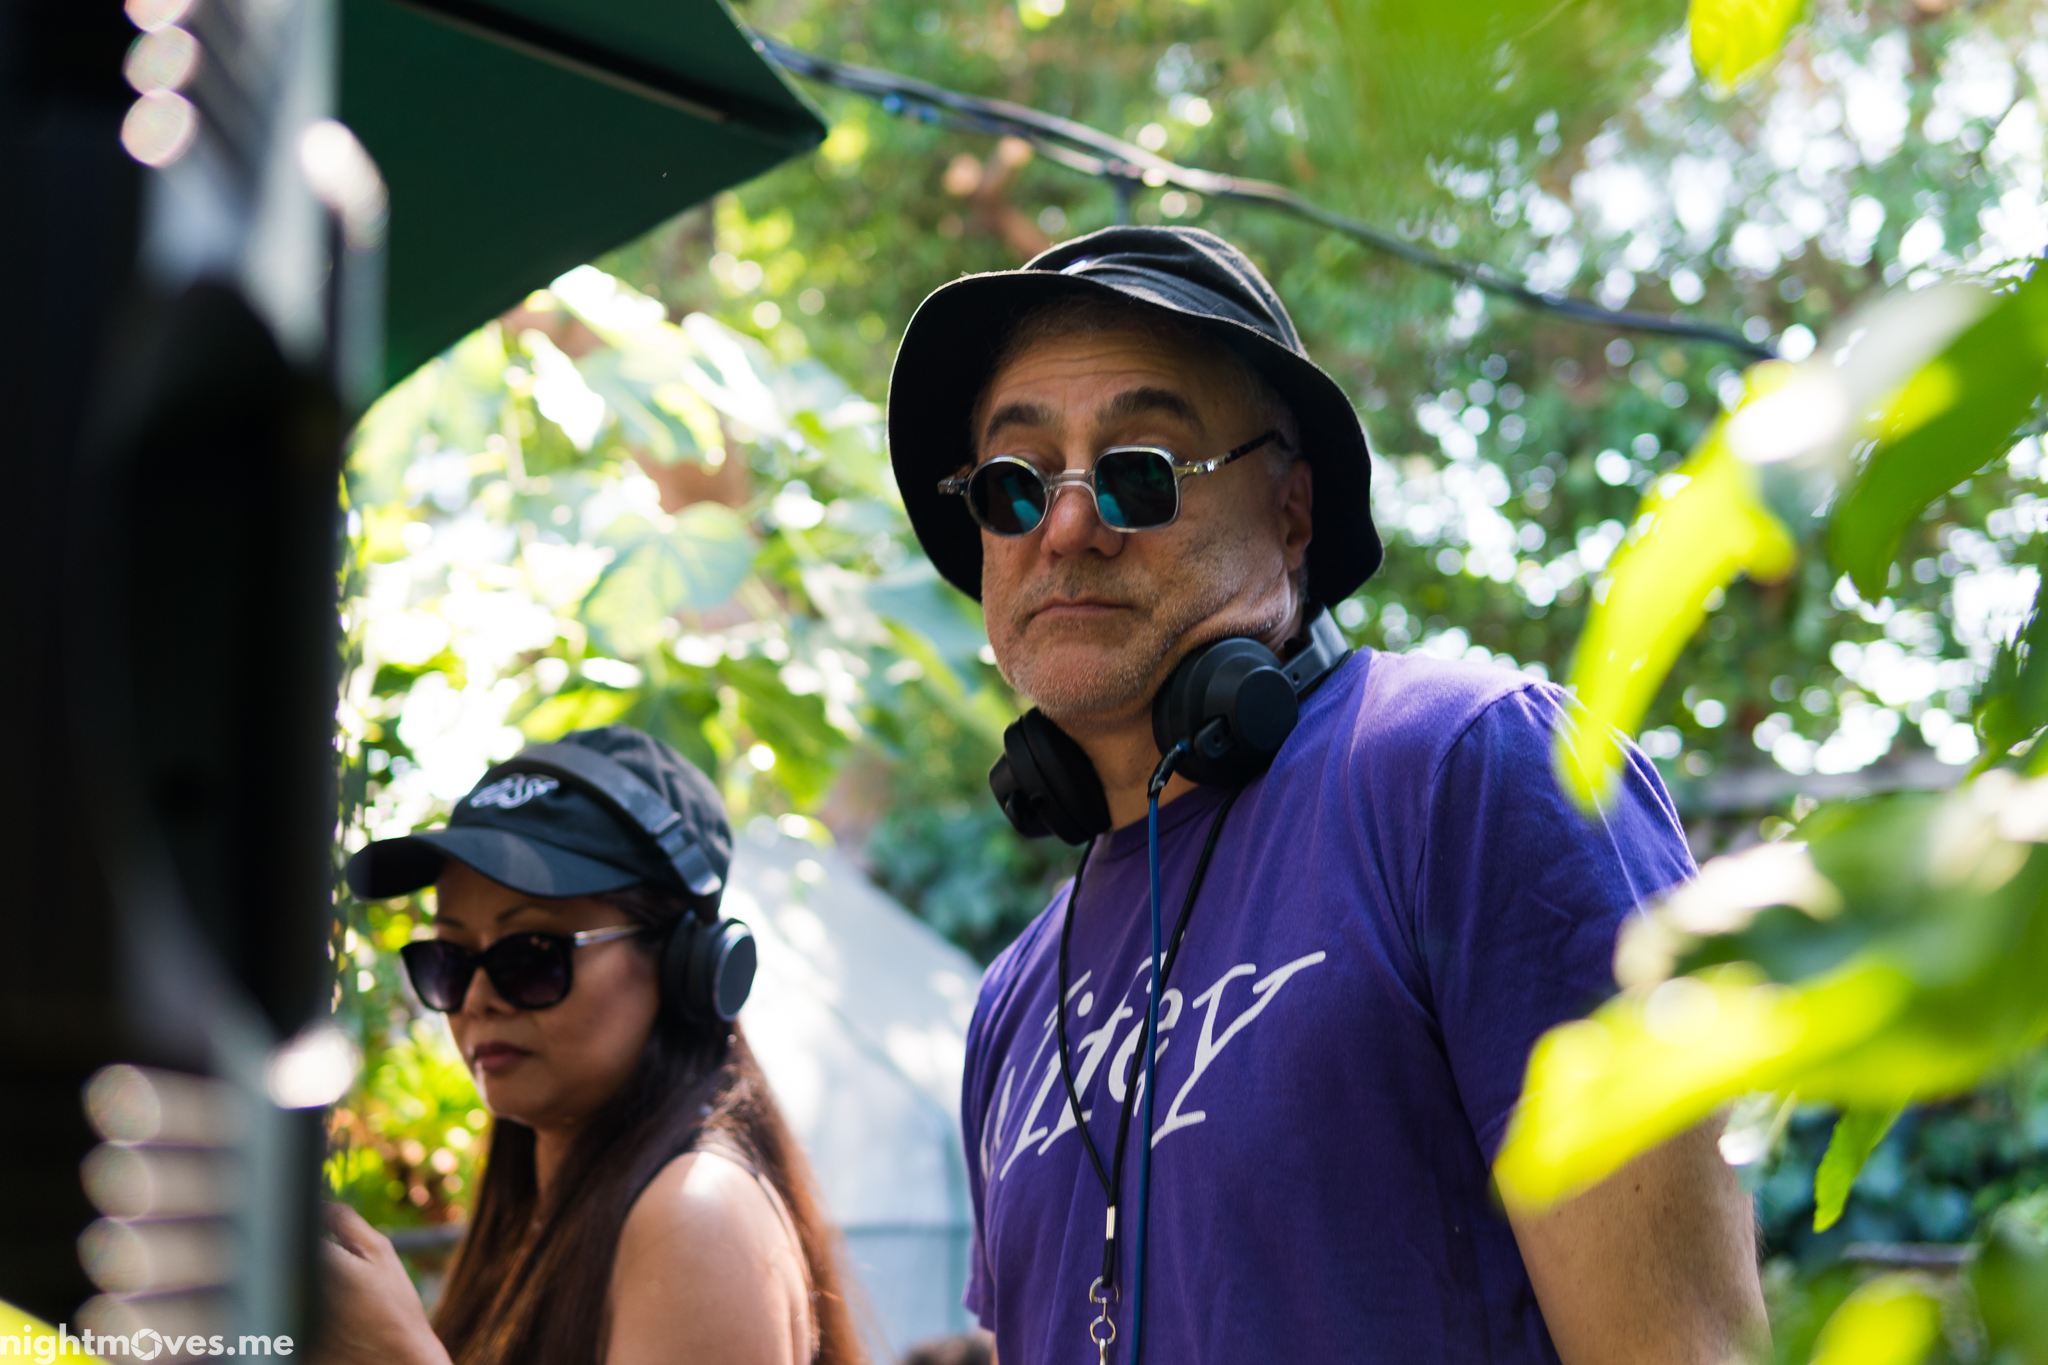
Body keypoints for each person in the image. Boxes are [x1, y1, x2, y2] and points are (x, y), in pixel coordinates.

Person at [887, 225, 1767, 1364]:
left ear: (1291, 511)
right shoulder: (1014, 1000)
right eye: (1013, 485)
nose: (1065, 526)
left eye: (1140, 472)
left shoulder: (1473, 773)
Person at [316, 725, 862, 1365]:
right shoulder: (541, 1205)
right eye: (449, 959)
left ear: (685, 964)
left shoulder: (694, 1215)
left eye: (531, 955)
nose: (476, 999)